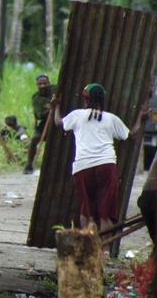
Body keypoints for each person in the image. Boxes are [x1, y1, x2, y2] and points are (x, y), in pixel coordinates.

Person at [52, 84, 146, 236]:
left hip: (83, 167)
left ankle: (86, 248)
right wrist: (141, 119)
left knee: (87, 210)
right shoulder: (110, 119)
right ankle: (104, 250)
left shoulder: (77, 115)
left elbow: (58, 123)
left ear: (86, 100)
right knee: (105, 213)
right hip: (106, 166)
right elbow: (131, 135)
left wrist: (56, 107)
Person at [25, 74, 57, 174]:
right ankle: (29, 165)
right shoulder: (36, 98)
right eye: (40, 84)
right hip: (45, 122)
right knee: (34, 139)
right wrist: (50, 108)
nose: (42, 86)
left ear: (49, 83)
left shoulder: (56, 89)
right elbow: (39, 115)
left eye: (44, 83)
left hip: (59, 120)